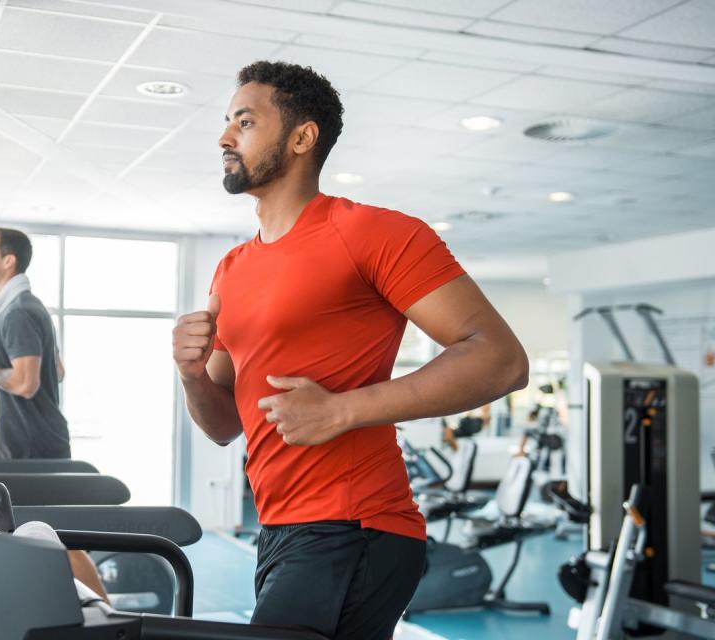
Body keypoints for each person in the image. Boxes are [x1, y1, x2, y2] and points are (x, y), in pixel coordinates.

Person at [172, 61, 529, 640]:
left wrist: (341, 409)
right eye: (226, 122)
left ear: (302, 137)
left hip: (356, 523)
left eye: (244, 121)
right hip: (281, 526)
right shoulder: (233, 267)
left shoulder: (371, 233)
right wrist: (191, 375)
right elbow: (222, 426)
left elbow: (502, 360)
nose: (224, 137)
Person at [0, 227, 70, 460]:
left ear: (8, 261)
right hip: (35, 442)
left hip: (31, 448)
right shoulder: (26, 305)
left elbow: (25, 384)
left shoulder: (18, 312)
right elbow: (58, 372)